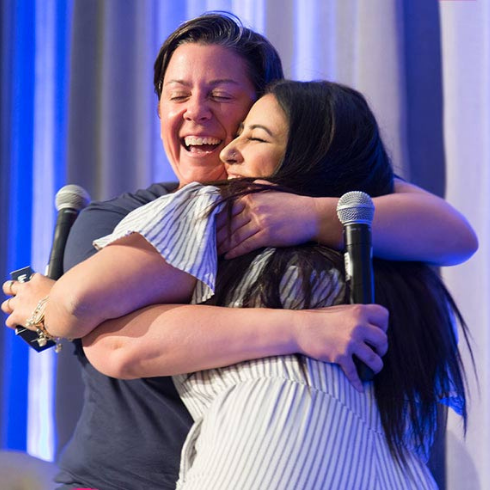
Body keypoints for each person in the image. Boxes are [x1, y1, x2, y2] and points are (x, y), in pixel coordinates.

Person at [1, 12, 477, 490]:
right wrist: (304, 329)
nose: (196, 112)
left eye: (222, 95)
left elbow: (456, 234)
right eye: (178, 94)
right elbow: (112, 340)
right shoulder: (135, 217)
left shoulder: (325, 203)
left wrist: (310, 214)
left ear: (269, 105)